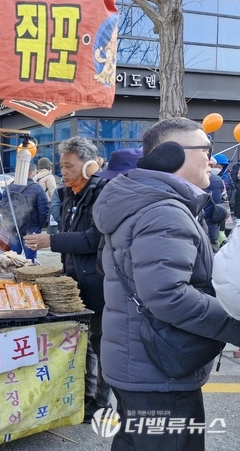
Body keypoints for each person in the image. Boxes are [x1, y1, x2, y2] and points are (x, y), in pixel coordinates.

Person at [92, 118, 240, 449]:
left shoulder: (143, 200)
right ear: (174, 155)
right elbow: (168, 296)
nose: (213, 159)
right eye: (206, 149)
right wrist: (234, 323)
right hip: (158, 372)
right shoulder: (163, 211)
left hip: (139, 362)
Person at [23, 136, 111, 421]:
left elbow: (92, 239)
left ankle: (101, 403)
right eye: (61, 165)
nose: (64, 171)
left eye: (69, 165)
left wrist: (52, 240)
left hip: (98, 281)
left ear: (88, 165)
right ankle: (85, 393)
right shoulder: (68, 192)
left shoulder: (102, 193)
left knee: (100, 342)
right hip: (74, 279)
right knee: (82, 340)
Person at [0, 165, 48, 262]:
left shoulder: (8, 188)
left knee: (13, 259)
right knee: (30, 260)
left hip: (13, 229)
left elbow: (2, 208)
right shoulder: (37, 188)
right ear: (31, 173)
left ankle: (14, 275)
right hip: (31, 230)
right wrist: (38, 227)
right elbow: (43, 211)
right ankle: (30, 276)